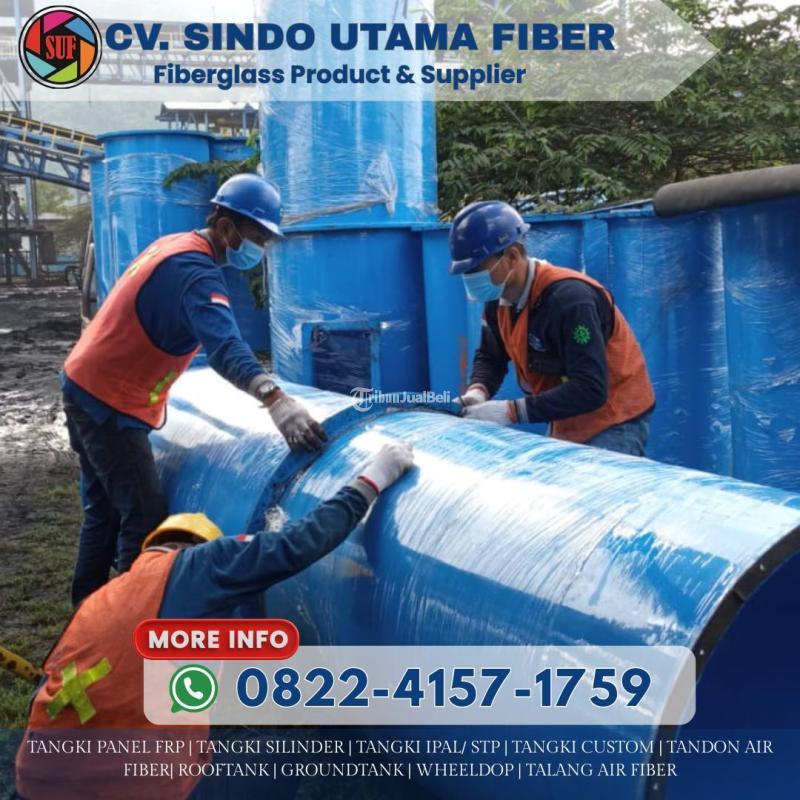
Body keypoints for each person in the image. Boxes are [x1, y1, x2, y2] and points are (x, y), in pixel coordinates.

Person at [15, 441, 414, 800]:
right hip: (129, 787)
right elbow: (295, 544)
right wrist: (372, 479)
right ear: (196, 547)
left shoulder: (102, 602)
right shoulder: (199, 566)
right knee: (283, 763)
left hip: (37, 781)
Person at [62, 174, 327, 606]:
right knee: (142, 516)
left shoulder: (174, 245)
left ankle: (87, 612)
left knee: (103, 510)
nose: (260, 248)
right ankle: (128, 620)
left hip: (85, 383)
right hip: (110, 401)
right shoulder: (193, 269)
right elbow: (225, 348)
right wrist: (275, 398)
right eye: (257, 237)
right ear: (225, 227)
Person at [449, 201, 655, 455]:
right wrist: (477, 391)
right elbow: (491, 356)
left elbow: (590, 388)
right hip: (569, 415)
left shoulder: (570, 301)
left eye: (476, 269)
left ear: (512, 256)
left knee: (591, 481)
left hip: (614, 417)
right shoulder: (498, 298)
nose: (469, 278)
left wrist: (511, 411)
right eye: (465, 271)